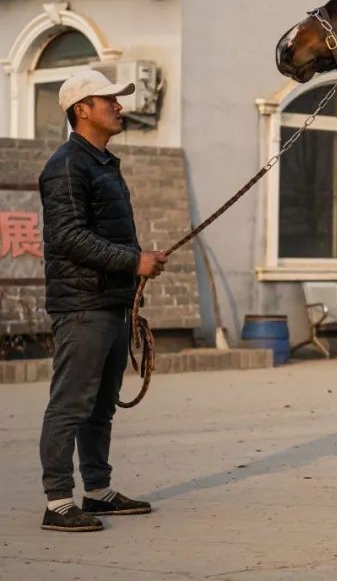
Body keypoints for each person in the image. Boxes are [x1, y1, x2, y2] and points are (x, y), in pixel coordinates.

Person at [37, 68, 167, 532]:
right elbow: (68, 237)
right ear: (82, 110)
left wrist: (136, 267)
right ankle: (57, 502)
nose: (119, 106)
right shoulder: (66, 165)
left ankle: (97, 492)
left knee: (100, 406)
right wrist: (134, 261)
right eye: (108, 99)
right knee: (71, 403)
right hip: (82, 307)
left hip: (110, 303)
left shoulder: (102, 163)